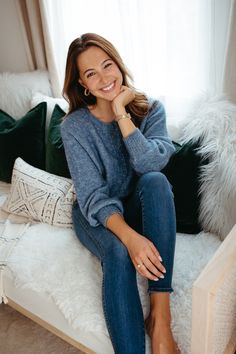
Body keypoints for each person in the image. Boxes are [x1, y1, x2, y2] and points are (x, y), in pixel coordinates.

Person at [61, 33, 180, 354]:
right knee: (116, 253)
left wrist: (121, 112)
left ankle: (160, 319)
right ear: (83, 85)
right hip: (96, 214)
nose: (103, 78)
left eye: (107, 65)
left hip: (137, 202)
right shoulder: (74, 127)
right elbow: (93, 197)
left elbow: (149, 163)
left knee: (155, 181)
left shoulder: (152, 109)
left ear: (118, 64)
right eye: (90, 74)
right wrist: (130, 238)